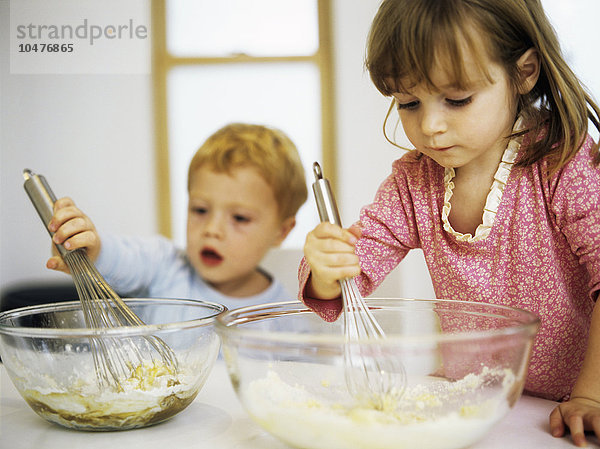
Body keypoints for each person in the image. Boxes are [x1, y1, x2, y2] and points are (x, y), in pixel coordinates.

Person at [299, 0, 600, 446]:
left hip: (570, 410)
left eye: (457, 99)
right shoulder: (414, 182)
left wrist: (590, 399)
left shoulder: (562, 165)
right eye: (409, 103)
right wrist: (327, 268)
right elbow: (350, 278)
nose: (431, 125)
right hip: (477, 406)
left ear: (524, 72)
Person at [47, 123, 308, 311]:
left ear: (282, 231)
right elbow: (122, 257)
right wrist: (91, 252)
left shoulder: (286, 314)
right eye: (200, 210)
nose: (212, 230)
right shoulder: (164, 266)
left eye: (239, 218)